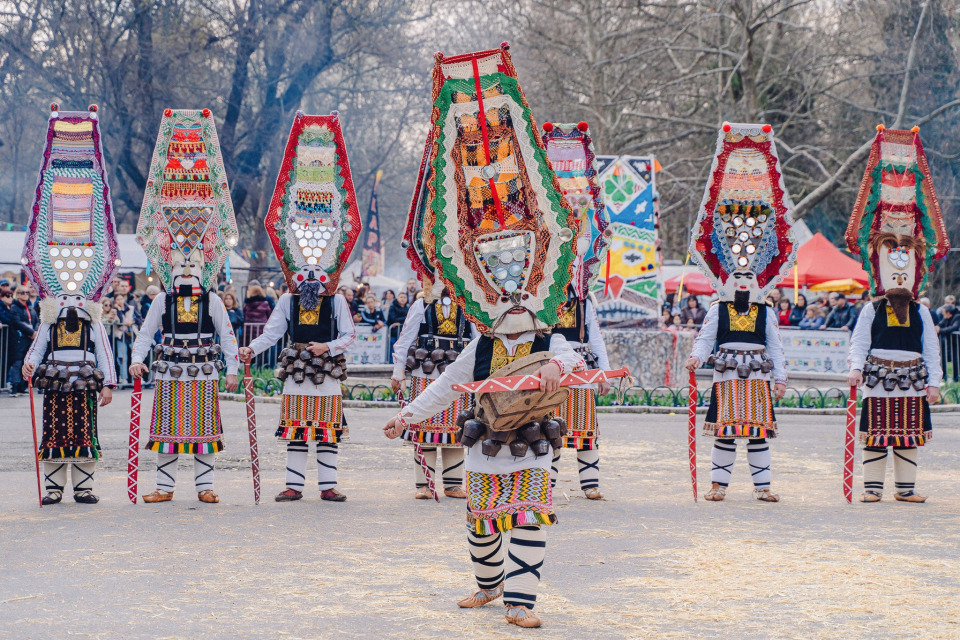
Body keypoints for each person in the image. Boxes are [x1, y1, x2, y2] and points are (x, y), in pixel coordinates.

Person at [384, 46, 585, 628]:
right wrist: (408, 417)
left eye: (522, 288)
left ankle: (522, 603)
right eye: (502, 290)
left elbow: (574, 362)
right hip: (484, 447)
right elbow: (446, 387)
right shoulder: (482, 347)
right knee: (480, 524)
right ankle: (487, 586)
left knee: (527, 520)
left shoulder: (550, 340)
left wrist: (556, 369)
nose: (514, 299)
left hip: (535, 445)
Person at [239, 110, 361, 504]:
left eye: (317, 271)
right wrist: (250, 349)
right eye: (305, 270)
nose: (311, 277)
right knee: (295, 431)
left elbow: (349, 335)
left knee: (327, 432)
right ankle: (293, 484)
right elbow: (273, 333)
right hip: (295, 372)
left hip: (327, 372)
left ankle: (328, 486)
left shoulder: (337, 299)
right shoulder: (289, 300)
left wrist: (329, 347)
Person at [129, 106, 241, 504]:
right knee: (168, 428)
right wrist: (136, 359)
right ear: (170, 268)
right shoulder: (161, 298)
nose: (188, 270)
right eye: (181, 264)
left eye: (194, 264)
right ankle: (163, 488)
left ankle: (205, 487)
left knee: (204, 430)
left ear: (204, 266)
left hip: (204, 369)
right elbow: (145, 333)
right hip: (171, 370)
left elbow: (227, 333)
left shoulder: (211, 299)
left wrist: (233, 367)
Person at [684, 121, 795, 504]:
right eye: (738, 274)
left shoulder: (766, 312)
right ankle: (719, 485)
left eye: (750, 275)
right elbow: (705, 337)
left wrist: (779, 376)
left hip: (758, 375)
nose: (744, 281)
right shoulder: (718, 308)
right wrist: (696, 356)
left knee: (759, 434)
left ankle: (763, 487)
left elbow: (775, 346)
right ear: (727, 277)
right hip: (728, 373)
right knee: (726, 433)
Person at [18, 104, 120, 503]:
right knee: (55, 429)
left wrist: (109, 381)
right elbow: (41, 341)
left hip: (84, 375)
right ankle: (56, 487)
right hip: (58, 375)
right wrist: (30, 362)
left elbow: (104, 347)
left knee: (84, 430)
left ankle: (85, 486)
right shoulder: (50, 311)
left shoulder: (91, 311)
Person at [844, 123, 948, 504]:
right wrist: (856, 367)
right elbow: (859, 341)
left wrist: (934, 382)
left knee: (909, 433)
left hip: (913, 379)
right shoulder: (872, 309)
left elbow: (933, 349)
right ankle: (872, 489)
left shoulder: (923, 312)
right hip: (877, 377)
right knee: (876, 432)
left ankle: (906, 489)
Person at [390, 280, 475, 499]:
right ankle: (424, 484)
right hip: (424, 373)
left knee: (456, 428)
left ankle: (453, 484)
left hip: (458, 375)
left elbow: (478, 340)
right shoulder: (422, 305)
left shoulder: (469, 305)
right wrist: (398, 371)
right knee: (422, 427)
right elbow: (405, 339)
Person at [8, 286, 40, 395]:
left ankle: (23, 386)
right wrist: (32, 332)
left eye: (27, 292)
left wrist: (35, 331)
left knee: (26, 361)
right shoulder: (14, 307)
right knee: (17, 362)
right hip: (18, 339)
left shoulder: (30, 308)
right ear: (18, 294)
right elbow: (17, 322)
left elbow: (36, 320)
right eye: (22, 292)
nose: (25, 294)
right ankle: (15, 387)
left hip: (28, 340)